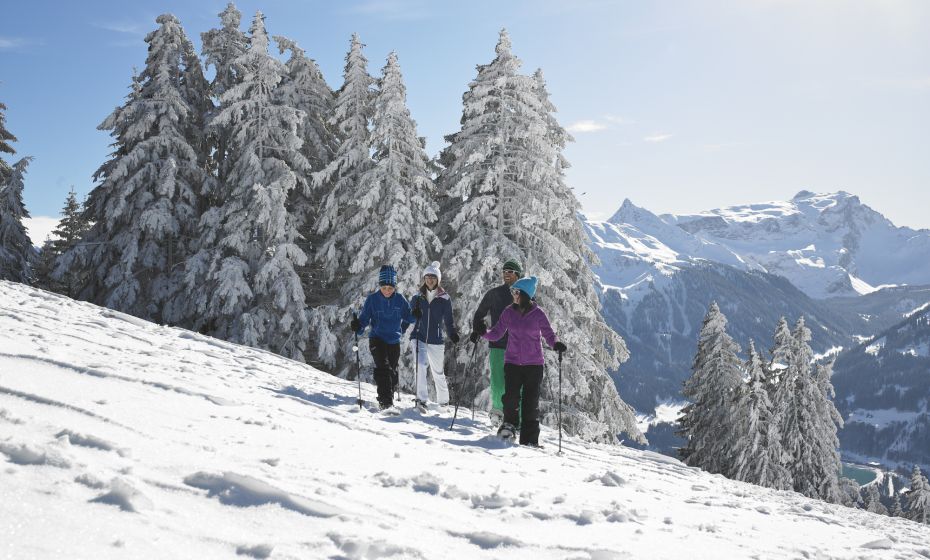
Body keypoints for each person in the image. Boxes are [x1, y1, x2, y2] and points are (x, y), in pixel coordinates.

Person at [479, 276, 567, 446]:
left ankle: (530, 439)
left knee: (530, 402)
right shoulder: (508, 312)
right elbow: (497, 333)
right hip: (512, 363)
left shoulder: (538, 314)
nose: (513, 294)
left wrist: (556, 343)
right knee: (510, 398)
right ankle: (509, 428)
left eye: (516, 291)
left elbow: (549, 334)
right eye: (513, 291)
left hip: (534, 365)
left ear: (526, 294)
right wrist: (484, 332)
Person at [351, 265, 416, 411]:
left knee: (391, 372)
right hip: (377, 339)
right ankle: (385, 402)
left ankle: (388, 396)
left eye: (390, 288)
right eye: (384, 287)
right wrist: (357, 326)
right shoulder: (372, 300)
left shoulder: (400, 300)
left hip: (394, 341)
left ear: (394, 287)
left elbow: (409, 316)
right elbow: (363, 321)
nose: (387, 290)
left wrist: (416, 314)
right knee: (384, 368)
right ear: (380, 286)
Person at [470, 258, 523, 426]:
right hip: (498, 345)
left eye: (510, 272)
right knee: (498, 383)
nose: (507, 274)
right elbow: (479, 314)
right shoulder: (494, 294)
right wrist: (477, 329)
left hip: (519, 347)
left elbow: (534, 318)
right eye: (505, 271)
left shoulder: (524, 295)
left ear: (517, 276)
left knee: (517, 386)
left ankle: (518, 420)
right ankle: (498, 413)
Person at [408, 261, 460, 411]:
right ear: (424, 279)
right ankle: (421, 400)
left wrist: (453, 334)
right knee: (420, 366)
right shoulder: (417, 297)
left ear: (438, 279)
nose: (430, 279)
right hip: (418, 336)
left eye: (433, 277)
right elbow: (410, 317)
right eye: (427, 277)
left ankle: (443, 404)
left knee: (438, 372)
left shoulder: (444, 298)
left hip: (436, 339)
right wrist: (414, 314)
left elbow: (449, 321)